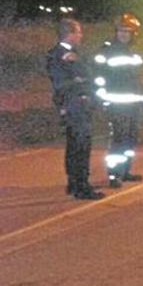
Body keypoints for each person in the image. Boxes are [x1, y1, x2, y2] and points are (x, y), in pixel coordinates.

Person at [46, 18, 104, 199]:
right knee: (80, 146)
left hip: (80, 103)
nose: (81, 35)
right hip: (74, 104)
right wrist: (79, 80)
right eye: (78, 32)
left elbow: (88, 74)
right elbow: (62, 82)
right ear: (69, 34)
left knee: (76, 145)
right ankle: (81, 186)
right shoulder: (59, 54)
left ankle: (74, 182)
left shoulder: (73, 53)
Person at [94, 12, 143, 188]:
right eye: (121, 31)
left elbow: (140, 78)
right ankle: (113, 175)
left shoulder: (136, 52)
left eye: (127, 31)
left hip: (133, 104)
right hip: (116, 104)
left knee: (130, 139)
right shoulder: (107, 51)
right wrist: (103, 99)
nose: (124, 34)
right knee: (118, 139)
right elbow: (98, 77)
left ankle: (125, 171)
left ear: (134, 34)